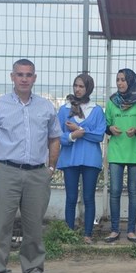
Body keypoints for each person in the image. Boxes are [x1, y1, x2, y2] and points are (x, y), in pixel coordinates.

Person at [0, 59, 61, 273]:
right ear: (12, 77)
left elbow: (54, 139)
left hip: (36, 174)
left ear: (35, 78)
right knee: (1, 225)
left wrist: (50, 168)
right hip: (5, 172)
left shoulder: (46, 107)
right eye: (20, 74)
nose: (24, 78)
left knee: (33, 227)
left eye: (28, 74)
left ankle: (32, 272)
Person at [57, 73, 106, 244]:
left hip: (90, 160)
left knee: (88, 197)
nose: (78, 89)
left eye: (81, 86)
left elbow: (99, 136)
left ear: (88, 89)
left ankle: (87, 233)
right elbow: (58, 136)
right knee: (71, 197)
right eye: (76, 86)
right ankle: (69, 232)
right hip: (69, 159)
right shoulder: (64, 110)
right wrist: (72, 136)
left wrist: (79, 130)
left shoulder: (97, 110)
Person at [104, 68, 136, 244]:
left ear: (131, 81)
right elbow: (105, 125)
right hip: (116, 152)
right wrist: (110, 129)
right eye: (118, 80)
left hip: (135, 152)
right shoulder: (112, 102)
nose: (120, 83)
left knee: (133, 191)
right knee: (114, 191)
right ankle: (114, 230)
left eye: (123, 80)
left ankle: (131, 230)